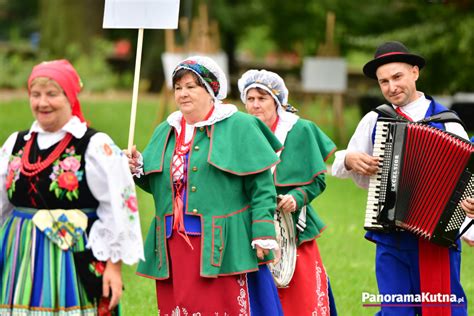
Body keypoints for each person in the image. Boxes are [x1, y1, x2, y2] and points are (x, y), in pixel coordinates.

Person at [126, 56, 283, 315]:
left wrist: (263, 231)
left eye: (191, 86)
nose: (183, 94)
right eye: (178, 88)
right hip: (172, 242)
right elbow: (160, 185)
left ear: (211, 90)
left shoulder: (240, 125)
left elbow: (262, 185)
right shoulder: (165, 130)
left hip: (222, 243)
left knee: (222, 306)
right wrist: (137, 169)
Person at [332, 41, 474, 316]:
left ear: (414, 72)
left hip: (437, 238)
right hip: (390, 235)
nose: (391, 87)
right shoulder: (375, 120)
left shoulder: (448, 121)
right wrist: (349, 159)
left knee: (441, 308)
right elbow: (340, 164)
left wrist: (470, 217)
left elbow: (467, 180)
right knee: (396, 309)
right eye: (383, 81)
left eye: (397, 77)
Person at [0, 59, 144, 315]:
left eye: (52, 94)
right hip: (21, 257)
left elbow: (119, 207)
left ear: (70, 96)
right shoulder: (15, 144)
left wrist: (114, 266)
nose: (42, 103)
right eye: (36, 94)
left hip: (74, 258)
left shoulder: (95, 145)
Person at [238, 69, 338, 315]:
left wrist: (297, 197)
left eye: (262, 98)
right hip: (251, 225)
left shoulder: (301, 130)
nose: (255, 105)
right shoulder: (239, 131)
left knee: (301, 296)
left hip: (294, 227)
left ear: (277, 100)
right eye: (250, 99)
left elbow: (318, 181)